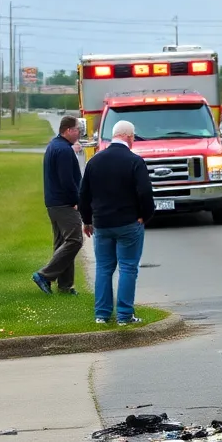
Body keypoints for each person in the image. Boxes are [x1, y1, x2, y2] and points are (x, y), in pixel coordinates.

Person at [77, 120, 155, 326]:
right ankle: (124, 315)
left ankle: (101, 315)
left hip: (102, 223)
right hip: (129, 222)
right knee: (128, 268)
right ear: (128, 136)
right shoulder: (134, 161)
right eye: (133, 137)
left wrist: (87, 220)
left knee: (103, 268)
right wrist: (145, 215)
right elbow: (145, 192)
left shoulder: (94, 161)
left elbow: (83, 194)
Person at [32, 116, 84, 295]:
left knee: (63, 243)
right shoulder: (63, 150)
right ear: (68, 130)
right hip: (63, 204)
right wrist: (76, 201)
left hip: (54, 203)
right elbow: (67, 181)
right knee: (75, 240)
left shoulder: (55, 146)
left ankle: (65, 286)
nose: (79, 132)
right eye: (77, 129)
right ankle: (44, 275)